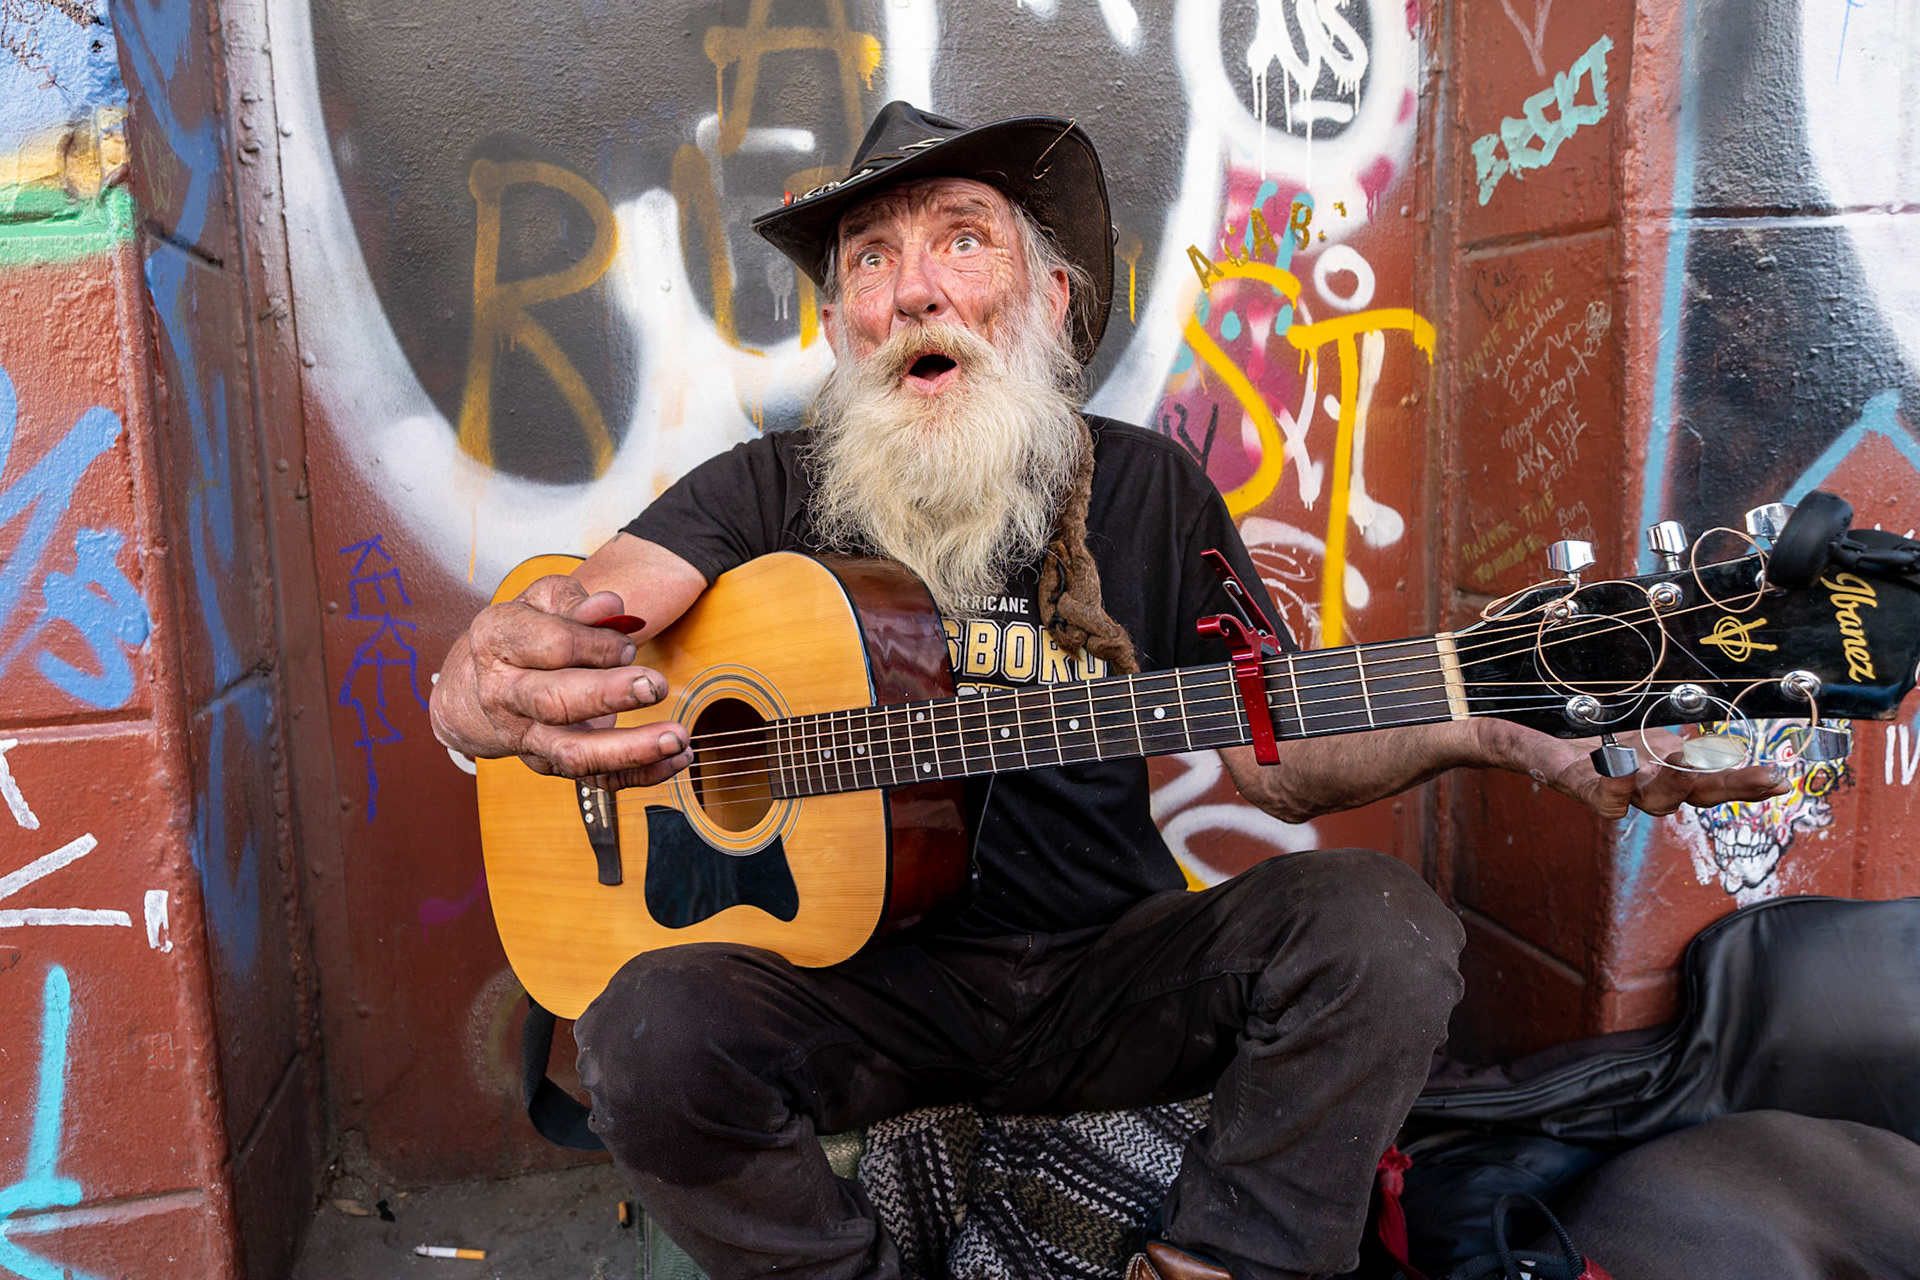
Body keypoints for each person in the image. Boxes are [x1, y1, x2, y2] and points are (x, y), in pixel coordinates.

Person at [430, 103, 1785, 1280]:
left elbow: (1273, 758)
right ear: (842, 321)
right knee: (643, 1033)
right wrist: (483, 680)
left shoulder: (1145, 491)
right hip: (859, 993)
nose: (914, 291)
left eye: (962, 237)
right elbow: (580, 621)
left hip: (1110, 977)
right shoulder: (764, 493)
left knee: (1378, 927)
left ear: (1053, 297)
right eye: (870, 261)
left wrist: (1476, 721)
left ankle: (1210, 1263)